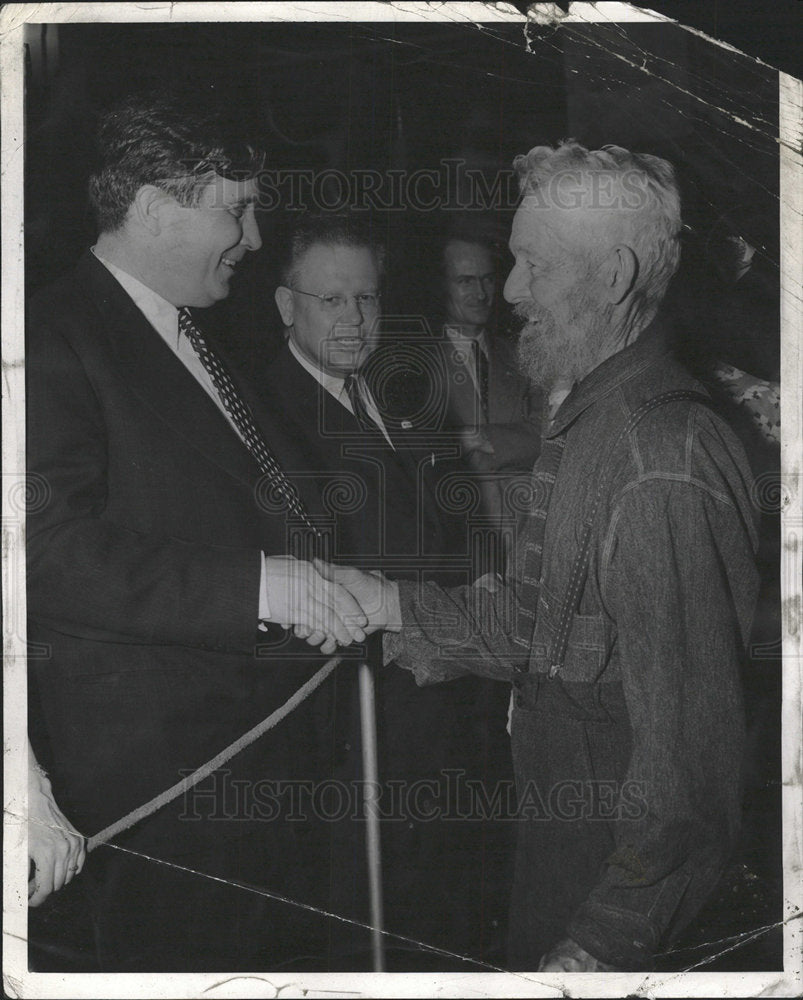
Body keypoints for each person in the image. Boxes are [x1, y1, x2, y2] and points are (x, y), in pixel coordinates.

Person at [316, 141, 761, 971]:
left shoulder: (656, 461)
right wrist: (385, 602)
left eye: (531, 264)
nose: (510, 291)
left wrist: (595, 949)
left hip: (609, 901)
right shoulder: (594, 418)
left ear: (616, 274)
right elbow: (536, 624)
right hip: (564, 855)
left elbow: (688, 787)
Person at [26, 93, 368, 972]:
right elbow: (44, 554)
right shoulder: (48, 335)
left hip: (257, 761)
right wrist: (258, 587)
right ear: (150, 209)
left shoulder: (194, 329)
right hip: (166, 783)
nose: (254, 239)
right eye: (237, 209)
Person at [242, 212, 512, 967]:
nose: (355, 319)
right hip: (368, 730)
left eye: (366, 298)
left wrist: (488, 577)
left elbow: (461, 512)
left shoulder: (402, 389)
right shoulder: (262, 419)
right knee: (388, 930)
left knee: (460, 911)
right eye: (332, 301)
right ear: (285, 304)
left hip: (459, 700)